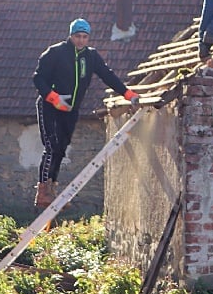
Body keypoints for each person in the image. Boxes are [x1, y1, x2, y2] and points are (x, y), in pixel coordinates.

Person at [32, 18, 140, 209]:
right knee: (51, 145)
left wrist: (127, 93)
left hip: (70, 109)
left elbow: (107, 75)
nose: (81, 40)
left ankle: (52, 188)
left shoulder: (90, 56)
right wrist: (52, 97)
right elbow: (38, 78)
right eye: (77, 36)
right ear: (71, 35)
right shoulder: (55, 53)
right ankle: (42, 192)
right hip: (50, 105)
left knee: (62, 148)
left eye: (84, 37)